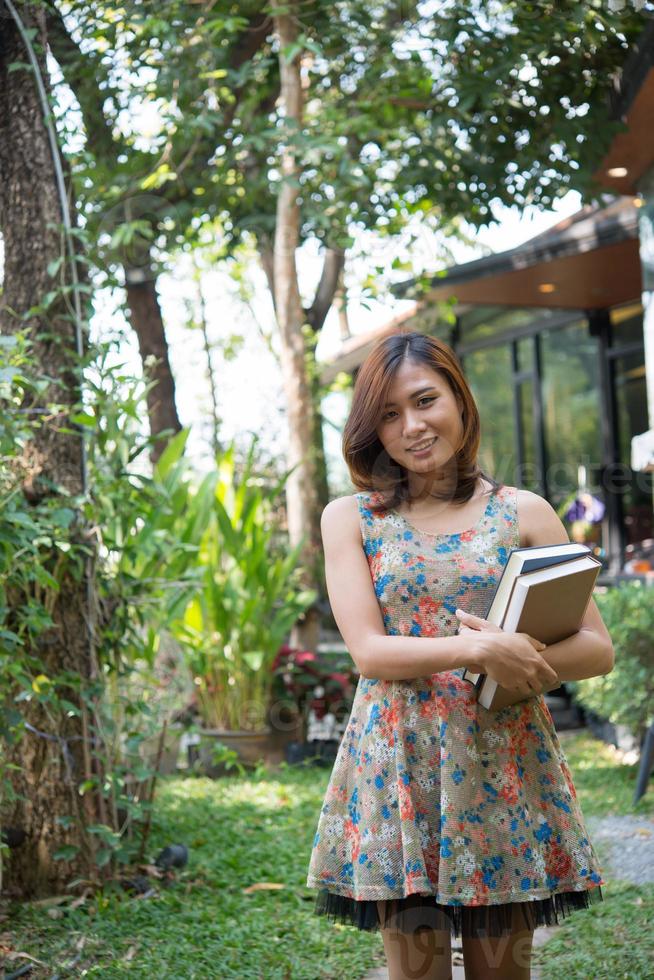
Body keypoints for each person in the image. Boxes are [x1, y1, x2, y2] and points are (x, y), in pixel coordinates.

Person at [306, 331, 613, 980]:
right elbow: (368, 650)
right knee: (416, 972)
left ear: (460, 401)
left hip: (501, 763)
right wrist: (479, 646)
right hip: (397, 767)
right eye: (388, 415)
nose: (412, 426)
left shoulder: (523, 512)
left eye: (425, 400)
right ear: (373, 430)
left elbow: (595, 647)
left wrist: (516, 659)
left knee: (502, 971)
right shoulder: (351, 518)